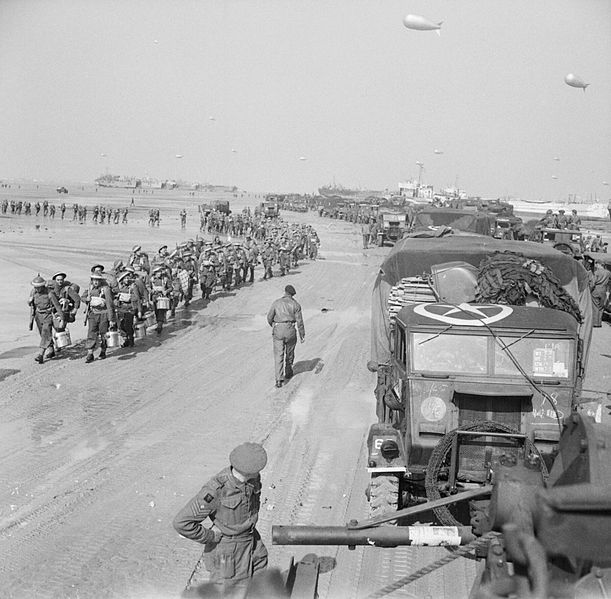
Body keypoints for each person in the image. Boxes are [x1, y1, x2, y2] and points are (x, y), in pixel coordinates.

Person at [173, 442, 269, 598]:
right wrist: (211, 536)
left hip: (251, 540)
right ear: (248, 471)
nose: (259, 472)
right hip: (229, 549)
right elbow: (182, 523)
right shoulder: (216, 491)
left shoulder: (253, 479)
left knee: (257, 582)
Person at [266, 285, 305, 388]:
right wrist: (302, 334)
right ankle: (288, 372)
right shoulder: (296, 304)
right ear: (292, 294)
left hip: (278, 329)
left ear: (285, 292)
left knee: (278, 354)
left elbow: (269, 317)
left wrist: (274, 325)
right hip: (290, 328)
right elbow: (299, 321)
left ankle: (279, 379)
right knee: (290, 352)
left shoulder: (276, 302)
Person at [28, 275, 63, 363]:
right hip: (38, 316)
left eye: (38, 287)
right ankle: (51, 350)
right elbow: (31, 305)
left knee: (45, 333)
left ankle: (40, 354)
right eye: (35, 287)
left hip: (48, 315)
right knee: (43, 334)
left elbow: (57, 306)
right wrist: (29, 301)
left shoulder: (49, 294)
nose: (37, 289)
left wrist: (62, 319)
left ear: (43, 286)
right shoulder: (33, 292)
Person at [82, 273, 116, 363]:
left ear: (100, 281)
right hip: (93, 314)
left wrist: (111, 319)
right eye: (94, 280)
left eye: (97, 280)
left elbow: (109, 304)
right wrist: (86, 299)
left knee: (103, 333)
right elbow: (83, 297)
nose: (96, 282)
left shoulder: (106, 289)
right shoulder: (90, 289)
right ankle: (90, 353)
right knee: (91, 333)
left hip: (103, 314)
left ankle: (103, 350)